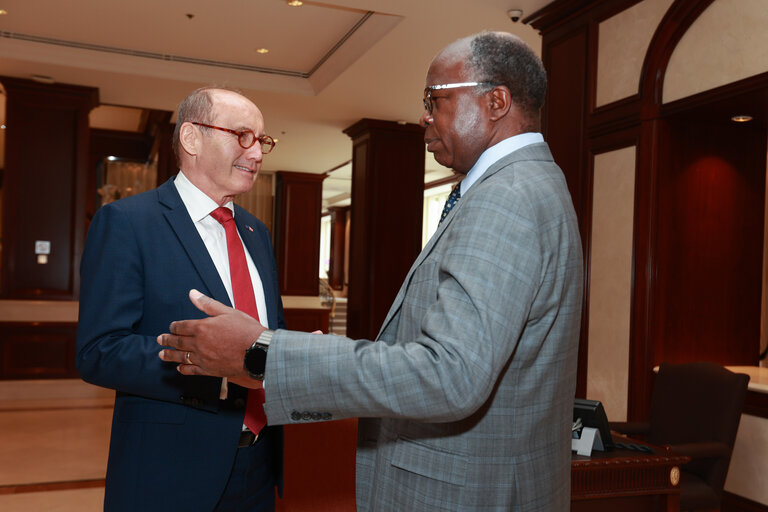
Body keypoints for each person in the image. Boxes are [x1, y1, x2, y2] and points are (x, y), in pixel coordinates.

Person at [159, 31, 583, 511]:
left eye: (434, 99)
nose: (425, 115)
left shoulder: (507, 198)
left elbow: (451, 376)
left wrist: (263, 353)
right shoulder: (527, 185)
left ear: (496, 101)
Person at [77, 86, 284, 512]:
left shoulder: (255, 233)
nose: (258, 153)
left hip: (260, 464)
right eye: (242, 135)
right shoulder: (127, 222)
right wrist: (214, 363)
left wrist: (290, 354)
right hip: (169, 471)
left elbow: (263, 334)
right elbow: (100, 351)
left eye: (262, 141)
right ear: (192, 138)